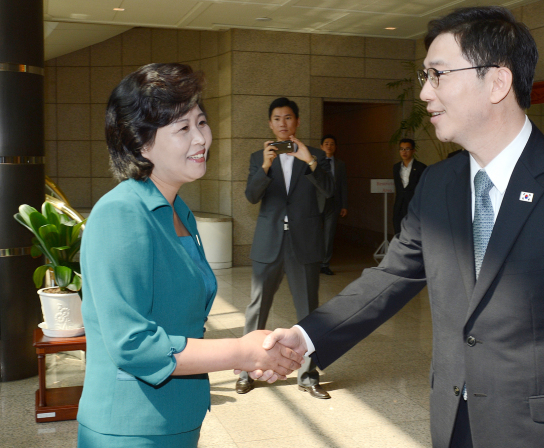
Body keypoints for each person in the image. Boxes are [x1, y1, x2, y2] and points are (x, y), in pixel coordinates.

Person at [263, 7, 544, 448]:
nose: (425, 92)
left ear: (498, 82)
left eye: (437, 74)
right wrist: (304, 336)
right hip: (454, 421)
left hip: (543, 432)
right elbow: (391, 277)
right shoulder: (439, 183)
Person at [77, 64, 303, 447]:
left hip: (177, 417)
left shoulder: (178, 212)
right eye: (183, 128)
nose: (201, 138)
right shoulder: (121, 213)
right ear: (140, 142)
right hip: (131, 426)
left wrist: (257, 354)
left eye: (201, 122)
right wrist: (242, 351)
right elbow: (132, 344)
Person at [237, 97, 334, 399]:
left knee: (308, 311)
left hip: (303, 243)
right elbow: (251, 196)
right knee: (257, 308)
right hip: (270, 242)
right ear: (270, 123)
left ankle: (308, 375)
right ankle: (245, 371)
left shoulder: (314, 155)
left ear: (297, 122)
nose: (283, 123)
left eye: (288, 118)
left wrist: (311, 161)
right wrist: (265, 166)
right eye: (277, 119)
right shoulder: (258, 157)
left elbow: (330, 191)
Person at [319, 134, 348, 275]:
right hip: (316, 203)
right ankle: (313, 263)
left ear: (335, 147)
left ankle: (325, 264)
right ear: (321, 146)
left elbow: (343, 185)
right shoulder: (315, 162)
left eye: (331, 144)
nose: (329, 146)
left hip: (334, 203)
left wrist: (344, 205)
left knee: (329, 235)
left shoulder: (340, 164)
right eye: (326, 143)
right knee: (315, 234)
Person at [392, 138, 427, 234]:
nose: (404, 152)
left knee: (413, 232)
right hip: (399, 204)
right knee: (398, 231)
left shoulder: (421, 167)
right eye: (401, 149)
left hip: (414, 206)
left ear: (413, 151)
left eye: (407, 149)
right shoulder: (396, 167)